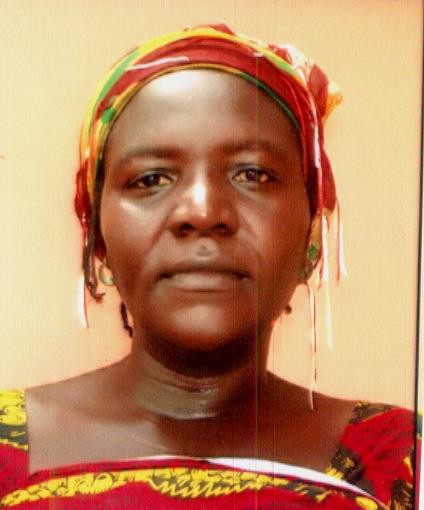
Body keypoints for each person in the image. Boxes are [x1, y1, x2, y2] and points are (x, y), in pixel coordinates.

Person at [0, 24, 416, 509]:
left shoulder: (402, 459)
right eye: (151, 179)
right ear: (97, 236)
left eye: (253, 174)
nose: (201, 211)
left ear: (312, 234)